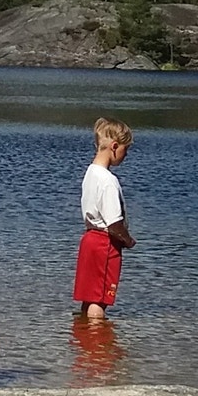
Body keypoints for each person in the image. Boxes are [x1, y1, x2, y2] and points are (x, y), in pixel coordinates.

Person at [72, 117, 134, 322]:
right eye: (125, 150)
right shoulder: (108, 180)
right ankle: (98, 346)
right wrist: (128, 241)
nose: (125, 156)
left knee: (89, 297)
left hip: (89, 240)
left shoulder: (90, 173)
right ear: (114, 147)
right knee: (100, 299)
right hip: (104, 244)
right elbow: (114, 224)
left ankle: (84, 339)